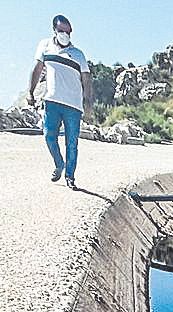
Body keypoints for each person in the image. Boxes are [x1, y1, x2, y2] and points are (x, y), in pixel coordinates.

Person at [28, 15, 92, 190]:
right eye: (61, 30)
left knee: (72, 143)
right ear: (54, 30)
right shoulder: (45, 46)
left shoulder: (79, 55)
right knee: (49, 135)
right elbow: (37, 68)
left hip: (73, 106)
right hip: (52, 101)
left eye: (68, 31)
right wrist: (30, 91)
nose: (65, 34)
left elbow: (86, 80)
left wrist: (88, 105)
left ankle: (70, 177)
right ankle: (59, 164)